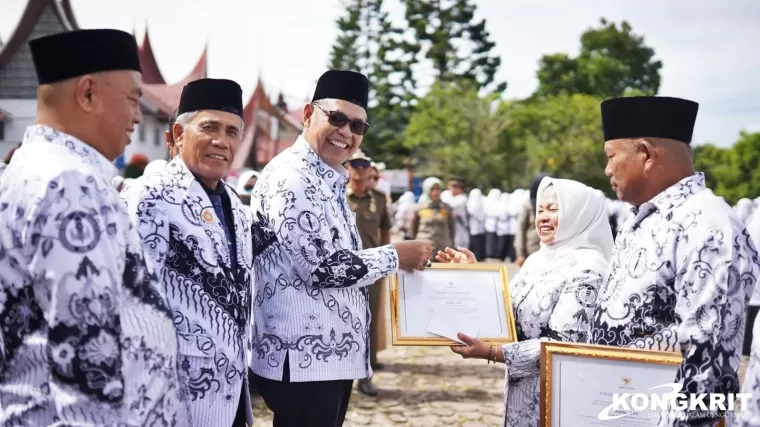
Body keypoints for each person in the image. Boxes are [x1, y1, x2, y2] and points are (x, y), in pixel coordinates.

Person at [0, 29, 185, 426]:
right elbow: (87, 357)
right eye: (133, 98)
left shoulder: (32, 169)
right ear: (87, 94)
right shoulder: (68, 183)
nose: (138, 115)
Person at [249, 69, 432, 427]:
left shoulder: (325, 176)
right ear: (307, 114)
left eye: (358, 126)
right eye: (336, 118)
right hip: (302, 357)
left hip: (326, 358)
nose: (346, 132)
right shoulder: (294, 177)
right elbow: (322, 268)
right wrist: (396, 255)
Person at [589, 96, 758, 426]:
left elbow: (708, 371)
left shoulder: (709, 226)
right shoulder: (638, 220)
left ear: (647, 155)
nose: (607, 169)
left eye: (610, 156)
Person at [122, 78, 253, 427]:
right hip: (175, 392)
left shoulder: (237, 207)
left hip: (232, 389)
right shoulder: (151, 195)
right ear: (179, 134)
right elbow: (134, 301)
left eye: (232, 131)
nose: (221, 141)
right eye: (209, 127)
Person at [436, 176, 613, 427]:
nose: (542, 217)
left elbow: (562, 346)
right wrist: (473, 275)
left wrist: (491, 352)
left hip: (562, 400)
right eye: (540, 209)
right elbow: (509, 310)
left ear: (579, 214)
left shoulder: (588, 270)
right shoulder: (538, 259)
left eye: (553, 209)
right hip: (523, 393)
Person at [345, 150, 393, 397]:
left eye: (365, 164)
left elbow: (386, 232)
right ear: (348, 166)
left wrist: (385, 261)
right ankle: (342, 374)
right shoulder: (338, 194)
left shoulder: (380, 198)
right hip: (343, 268)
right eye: (356, 163)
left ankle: (365, 375)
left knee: (369, 322)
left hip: (372, 269)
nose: (361, 168)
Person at [411, 176, 455, 254]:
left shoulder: (447, 208)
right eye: (432, 189)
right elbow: (413, 228)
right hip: (424, 248)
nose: (436, 192)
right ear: (426, 190)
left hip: (443, 248)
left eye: (438, 189)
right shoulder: (419, 208)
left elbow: (452, 229)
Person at [515, 173, 547, 266]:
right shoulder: (528, 204)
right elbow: (521, 229)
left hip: (550, 250)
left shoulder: (556, 202)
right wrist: (520, 253)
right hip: (532, 249)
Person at [447, 178, 470, 250]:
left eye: (456, 187)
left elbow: (451, 205)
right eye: (452, 187)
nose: (454, 189)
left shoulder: (462, 198)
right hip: (450, 224)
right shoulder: (447, 196)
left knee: (461, 244)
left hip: (461, 224)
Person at [467, 188, 486, 259]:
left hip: (474, 226)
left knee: (475, 241)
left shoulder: (470, 203)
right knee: (479, 241)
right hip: (478, 226)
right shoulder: (482, 202)